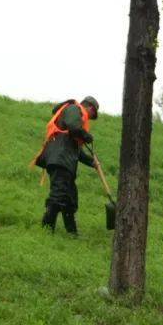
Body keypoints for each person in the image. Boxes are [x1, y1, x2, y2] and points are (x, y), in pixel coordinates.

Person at [32, 96, 100, 235]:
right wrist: (86, 136)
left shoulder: (74, 122)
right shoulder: (74, 109)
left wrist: (92, 162)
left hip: (64, 160)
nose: (89, 119)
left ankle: (72, 233)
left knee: (70, 199)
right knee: (58, 195)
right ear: (90, 108)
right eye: (92, 115)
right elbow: (74, 126)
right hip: (60, 159)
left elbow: (76, 151)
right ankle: (46, 228)